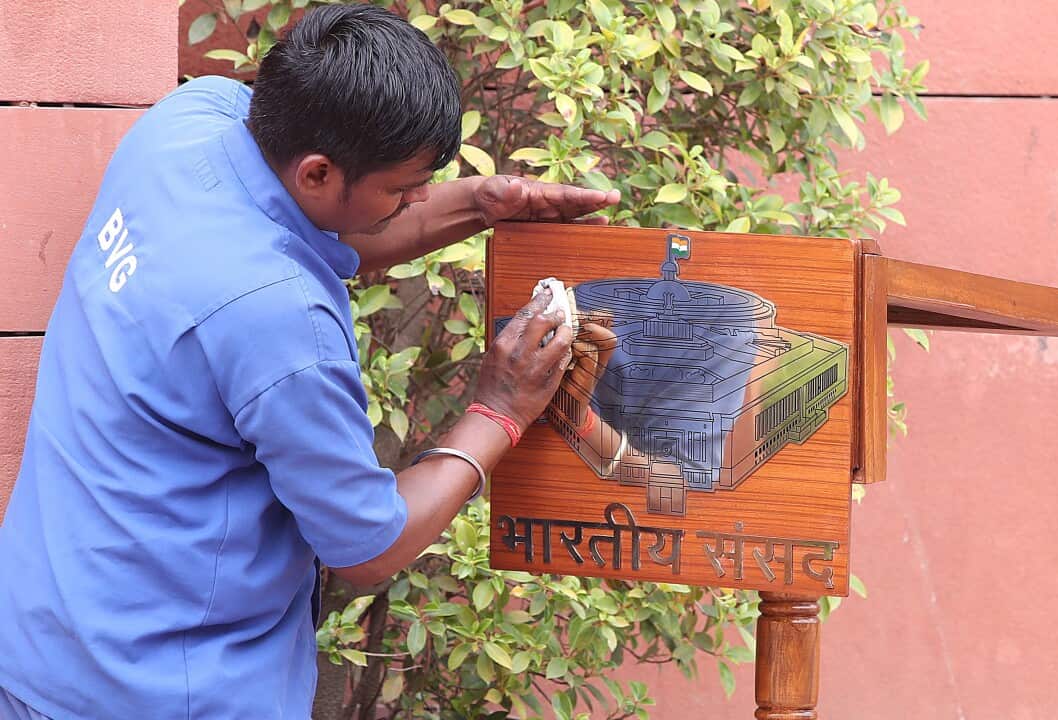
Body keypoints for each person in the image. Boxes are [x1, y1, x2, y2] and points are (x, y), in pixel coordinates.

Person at [0, 4, 620, 719]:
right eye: (402, 188)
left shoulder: (190, 122)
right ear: (320, 170)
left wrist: (479, 204)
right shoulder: (280, 321)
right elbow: (368, 545)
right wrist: (499, 411)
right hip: (164, 689)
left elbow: (319, 226)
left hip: (44, 644)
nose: (419, 199)